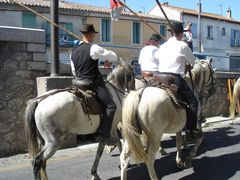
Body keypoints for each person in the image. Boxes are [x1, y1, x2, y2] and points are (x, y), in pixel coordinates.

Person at [70, 24, 117, 143]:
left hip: (77, 83)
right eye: (93, 35)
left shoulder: (73, 52)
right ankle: (103, 134)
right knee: (111, 106)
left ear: (82, 35)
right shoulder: (94, 48)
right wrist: (109, 60)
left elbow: (74, 71)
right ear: (91, 35)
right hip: (92, 83)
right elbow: (113, 56)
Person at [157, 22, 201, 142]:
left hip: (159, 78)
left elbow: (157, 59)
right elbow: (192, 61)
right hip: (174, 78)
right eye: (183, 34)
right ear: (181, 33)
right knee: (193, 102)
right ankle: (190, 131)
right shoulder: (182, 45)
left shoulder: (162, 46)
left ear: (171, 33)